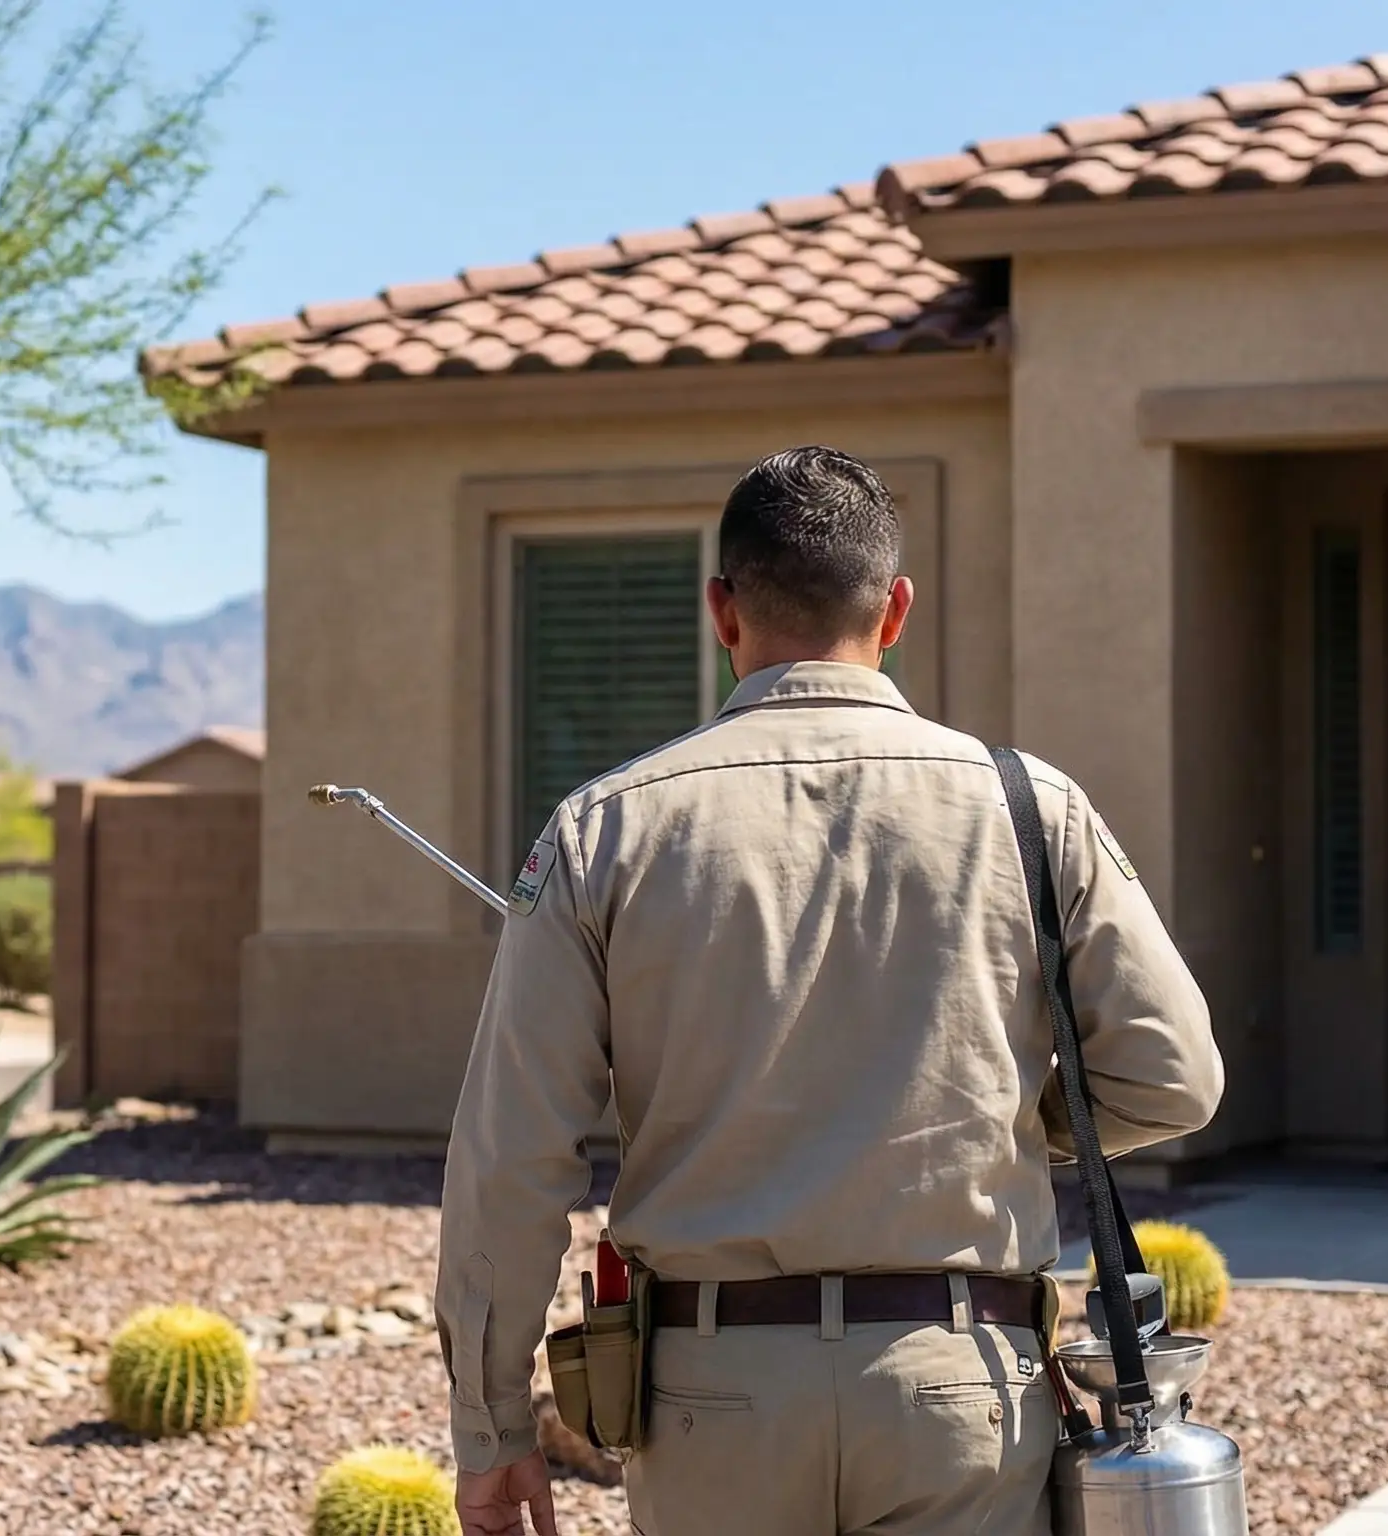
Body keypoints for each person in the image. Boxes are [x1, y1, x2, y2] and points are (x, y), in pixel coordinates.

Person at [435, 446, 1224, 1536]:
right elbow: (1174, 1077)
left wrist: (492, 1434)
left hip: (711, 1403)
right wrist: (986, 1126)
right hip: (960, 1388)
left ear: (722, 612)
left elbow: (511, 1159)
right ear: (894, 609)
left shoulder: (605, 826)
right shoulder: (1028, 807)